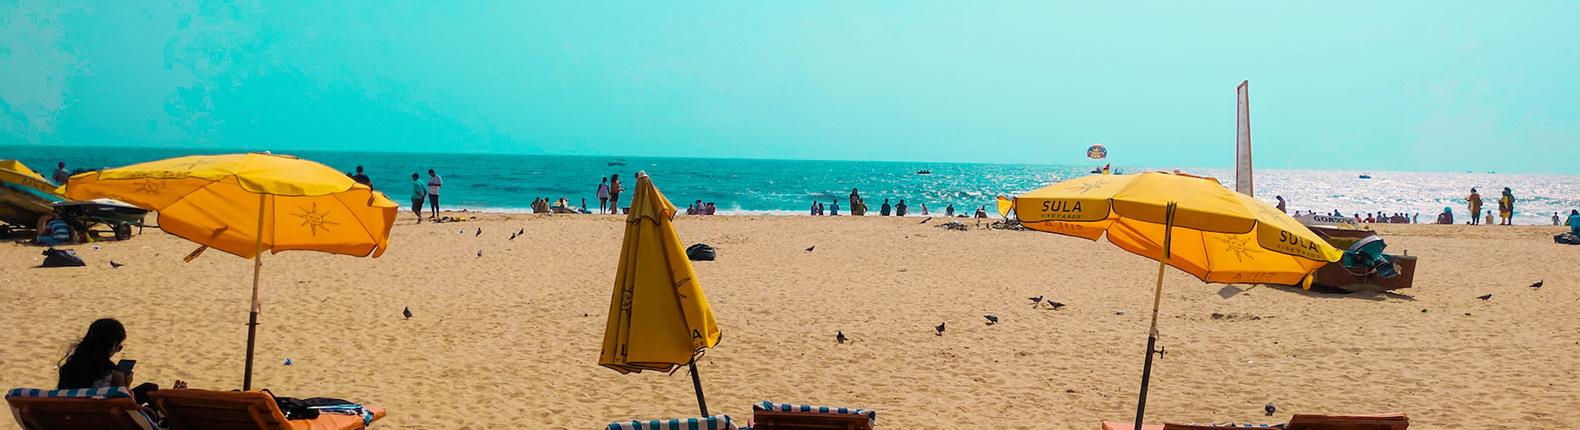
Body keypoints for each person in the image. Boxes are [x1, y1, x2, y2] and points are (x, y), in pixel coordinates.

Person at [58, 318, 186, 407]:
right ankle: (172, 402)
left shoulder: (68, 368)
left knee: (148, 388)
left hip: (79, 415)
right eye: (119, 347)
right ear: (113, 345)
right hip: (107, 417)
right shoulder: (110, 373)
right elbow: (126, 406)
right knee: (151, 393)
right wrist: (124, 385)